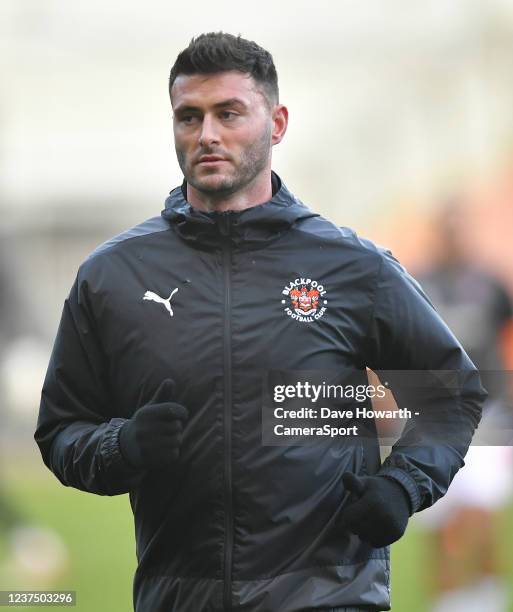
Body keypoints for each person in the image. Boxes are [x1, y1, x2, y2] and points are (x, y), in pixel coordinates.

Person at [35, 33, 486, 612]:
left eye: (229, 114)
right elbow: (62, 429)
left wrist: (404, 483)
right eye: (189, 117)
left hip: (328, 596)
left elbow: (451, 391)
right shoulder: (112, 275)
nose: (207, 135)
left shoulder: (354, 266)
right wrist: (123, 445)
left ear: (276, 123)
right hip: (178, 599)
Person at [415, 200, 513, 612]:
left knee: (481, 515)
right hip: (436, 418)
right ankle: (448, 602)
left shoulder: (489, 282)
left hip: (488, 414)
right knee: (441, 524)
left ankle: (487, 599)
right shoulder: (417, 284)